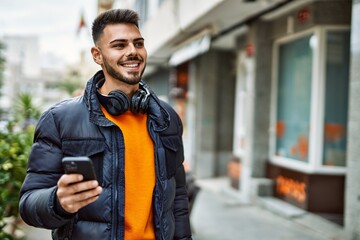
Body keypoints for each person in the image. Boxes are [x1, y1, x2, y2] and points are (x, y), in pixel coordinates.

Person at [19, 9, 192, 240]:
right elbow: (29, 203)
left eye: (138, 44)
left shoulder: (166, 117)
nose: (133, 52)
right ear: (97, 55)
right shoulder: (59, 120)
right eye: (119, 45)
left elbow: (178, 199)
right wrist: (58, 202)